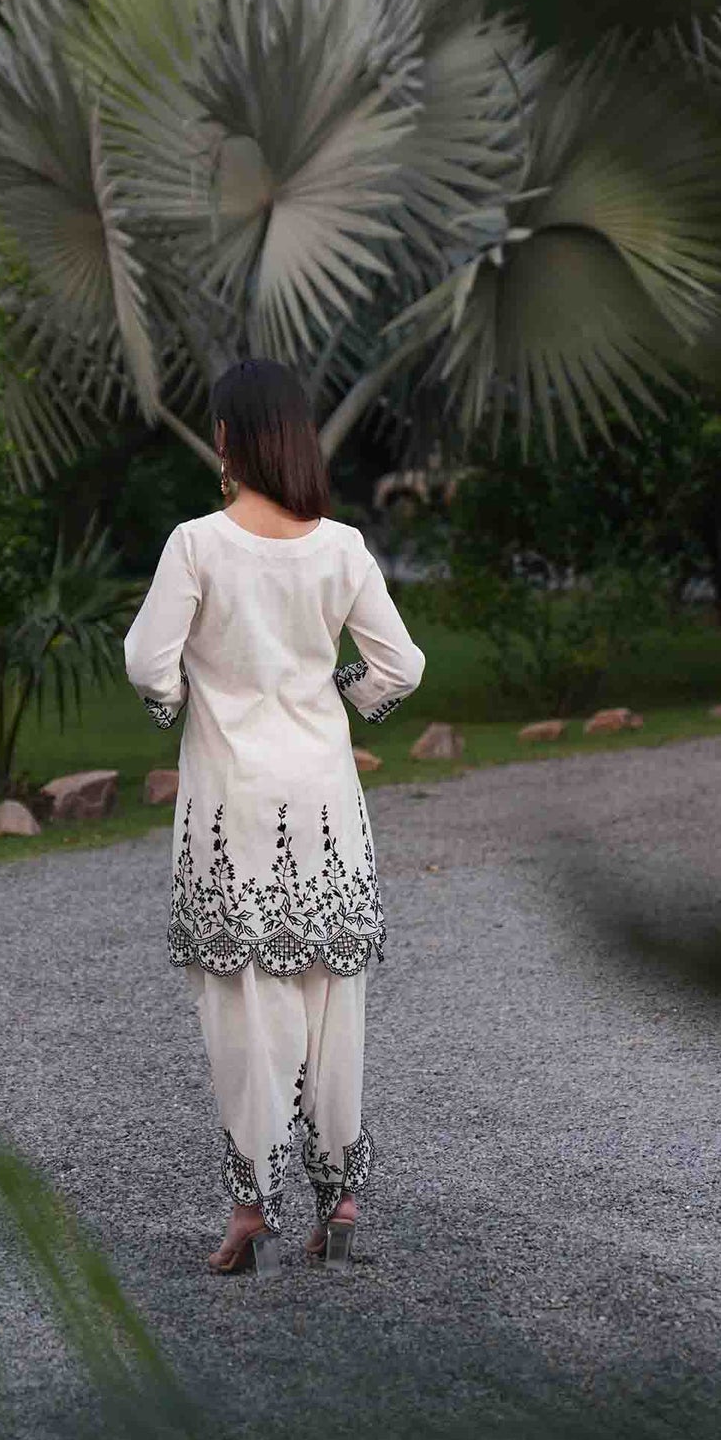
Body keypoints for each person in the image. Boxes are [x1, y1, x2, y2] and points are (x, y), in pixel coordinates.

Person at [123, 359, 425, 1279]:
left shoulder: (196, 545)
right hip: (327, 803)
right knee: (333, 1000)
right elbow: (401, 667)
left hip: (234, 806)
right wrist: (337, 692)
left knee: (246, 1009)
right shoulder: (340, 547)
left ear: (228, 440)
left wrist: (187, 700)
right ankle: (339, 1201)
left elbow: (146, 663)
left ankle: (251, 1207)